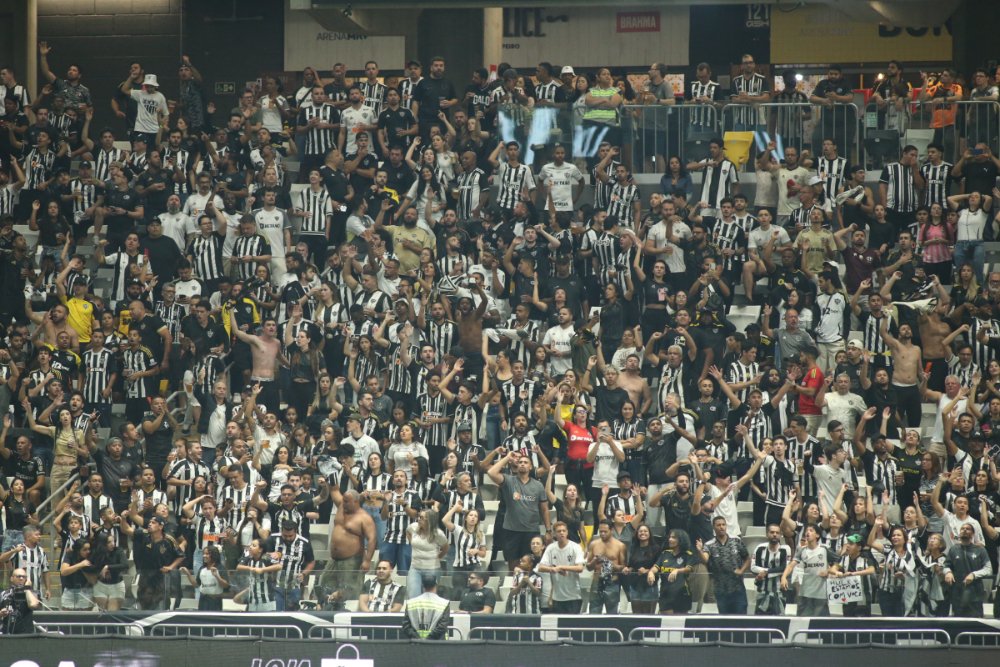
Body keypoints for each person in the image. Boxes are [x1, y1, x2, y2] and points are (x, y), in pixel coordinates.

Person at [698, 516, 750, 614]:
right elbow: (705, 559)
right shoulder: (709, 544)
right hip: (720, 589)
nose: (721, 527)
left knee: (741, 618)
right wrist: (700, 550)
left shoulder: (736, 541)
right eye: (718, 525)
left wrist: (742, 570)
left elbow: (747, 559)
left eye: (723, 524)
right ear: (713, 527)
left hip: (738, 588)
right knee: (725, 620)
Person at [943, 523, 993, 617]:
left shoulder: (980, 550)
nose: (965, 530)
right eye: (962, 528)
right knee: (958, 620)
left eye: (968, 529)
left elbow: (988, 569)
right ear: (959, 533)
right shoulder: (953, 549)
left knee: (975, 621)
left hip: (975, 593)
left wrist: (974, 575)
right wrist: (948, 572)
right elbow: (946, 565)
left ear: (973, 534)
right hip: (957, 592)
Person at [537, 521, 586, 613]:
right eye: (559, 531)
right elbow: (541, 567)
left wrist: (561, 567)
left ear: (567, 532)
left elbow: (580, 568)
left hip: (574, 596)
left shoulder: (575, 547)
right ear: (554, 534)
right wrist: (553, 569)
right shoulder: (550, 548)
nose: (562, 533)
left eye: (564, 530)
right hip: (557, 597)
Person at [401, 572, 451, 639]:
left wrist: (418, 639)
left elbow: (406, 626)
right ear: (436, 584)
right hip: (437, 643)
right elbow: (442, 627)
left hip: (416, 643)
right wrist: (428, 639)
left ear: (422, 585)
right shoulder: (444, 603)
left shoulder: (411, 603)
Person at [0, 568, 40, 635]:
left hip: (26, 634)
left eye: (24, 577)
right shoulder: (4, 594)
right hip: (7, 634)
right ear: (12, 578)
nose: (21, 578)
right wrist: (1, 614)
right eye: (18, 576)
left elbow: (33, 605)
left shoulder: (31, 593)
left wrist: (27, 588)